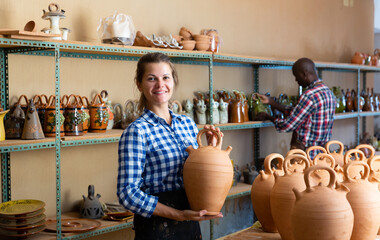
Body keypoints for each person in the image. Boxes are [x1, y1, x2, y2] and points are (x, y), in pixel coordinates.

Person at [117, 52, 223, 240]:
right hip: (157, 228)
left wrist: (211, 151)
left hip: (190, 224)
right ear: (139, 85)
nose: (160, 85)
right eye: (151, 79)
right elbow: (127, 194)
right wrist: (179, 214)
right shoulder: (137, 131)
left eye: (166, 77)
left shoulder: (187, 124)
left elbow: (196, 174)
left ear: (173, 81)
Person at [257, 57, 336, 152]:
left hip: (305, 155)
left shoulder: (309, 95)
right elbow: (298, 113)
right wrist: (271, 102)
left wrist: (268, 117)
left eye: (296, 76)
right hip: (321, 153)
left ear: (305, 74)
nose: (296, 80)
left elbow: (287, 126)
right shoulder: (329, 93)